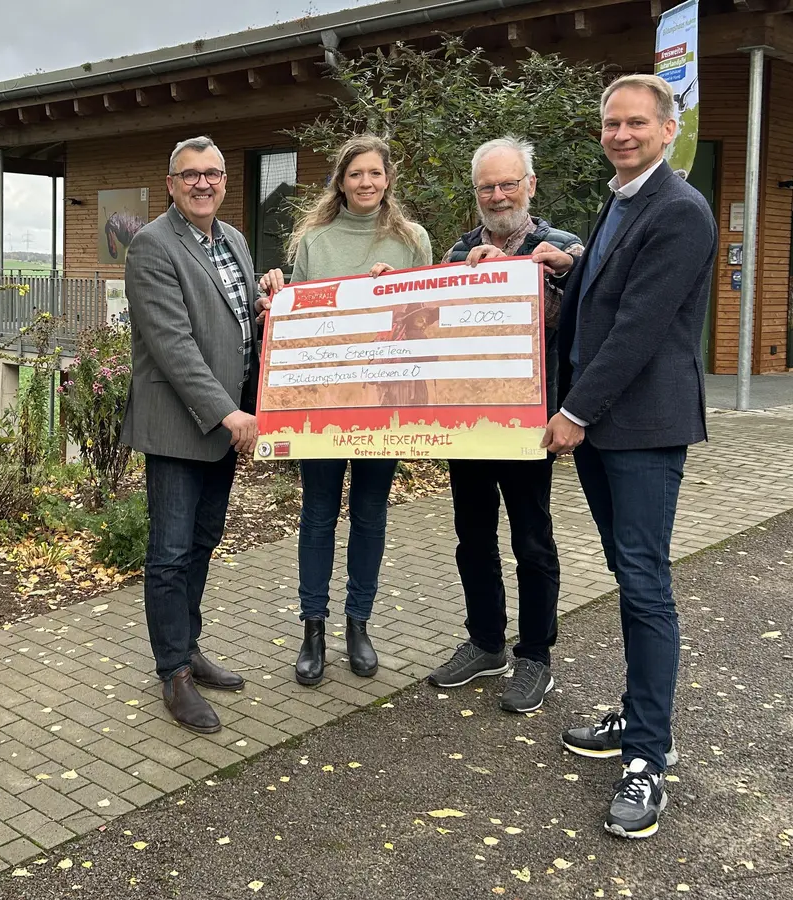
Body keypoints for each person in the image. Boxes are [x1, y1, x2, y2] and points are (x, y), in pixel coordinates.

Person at [546, 74, 716, 839]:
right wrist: (562, 268)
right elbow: (600, 296)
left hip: (638, 429)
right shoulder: (621, 201)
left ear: (668, 130)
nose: (621, 134)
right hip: (605, 430)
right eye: (611, 123)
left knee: (645, 583)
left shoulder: (679, 210)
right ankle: (638, 715)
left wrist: (574, 412)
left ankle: (649, 756)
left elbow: (639, 328)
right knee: (628, 574)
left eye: (636, 124)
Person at [256, 134, 433, 687]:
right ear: (340, 181)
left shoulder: (412, 240)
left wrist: (401, 291)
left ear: (388, 180)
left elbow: (429, 318)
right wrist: (277, 289)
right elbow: (297, 318)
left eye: (375, 174)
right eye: (356, 174)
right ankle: (314, 628)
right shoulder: (314, 240)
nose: (366, 183)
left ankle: (359, 624)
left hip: (385, 404)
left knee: (371, 515)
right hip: (324, 406)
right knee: (316, 515)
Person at [425, 136, 582, 715]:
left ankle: (535, 656)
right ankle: (486, 641)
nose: (497, 195)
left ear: (530, 186)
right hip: (466, 421)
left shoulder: (564, 248)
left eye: (507, 183)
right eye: (487, 186)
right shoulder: (456, 252)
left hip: (528, 423)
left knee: (532, 540)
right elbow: (429, 325)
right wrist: (387, 290)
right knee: (472, 535)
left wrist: (525, 270)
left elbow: (589, 307)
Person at [121, 135, 258, 734]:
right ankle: (172, 670)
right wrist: (230, 414)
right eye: (191, 175)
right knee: (171, 554)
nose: (204, 183)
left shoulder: (235, 241)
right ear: (172, 183)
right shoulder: (152, 246)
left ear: (225, 181)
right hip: (181, 427)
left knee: (202, 543)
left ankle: (189, 644)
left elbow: (241, 325)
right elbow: (173, 345)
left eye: (214, 173)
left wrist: (273, 299)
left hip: (225, 426)